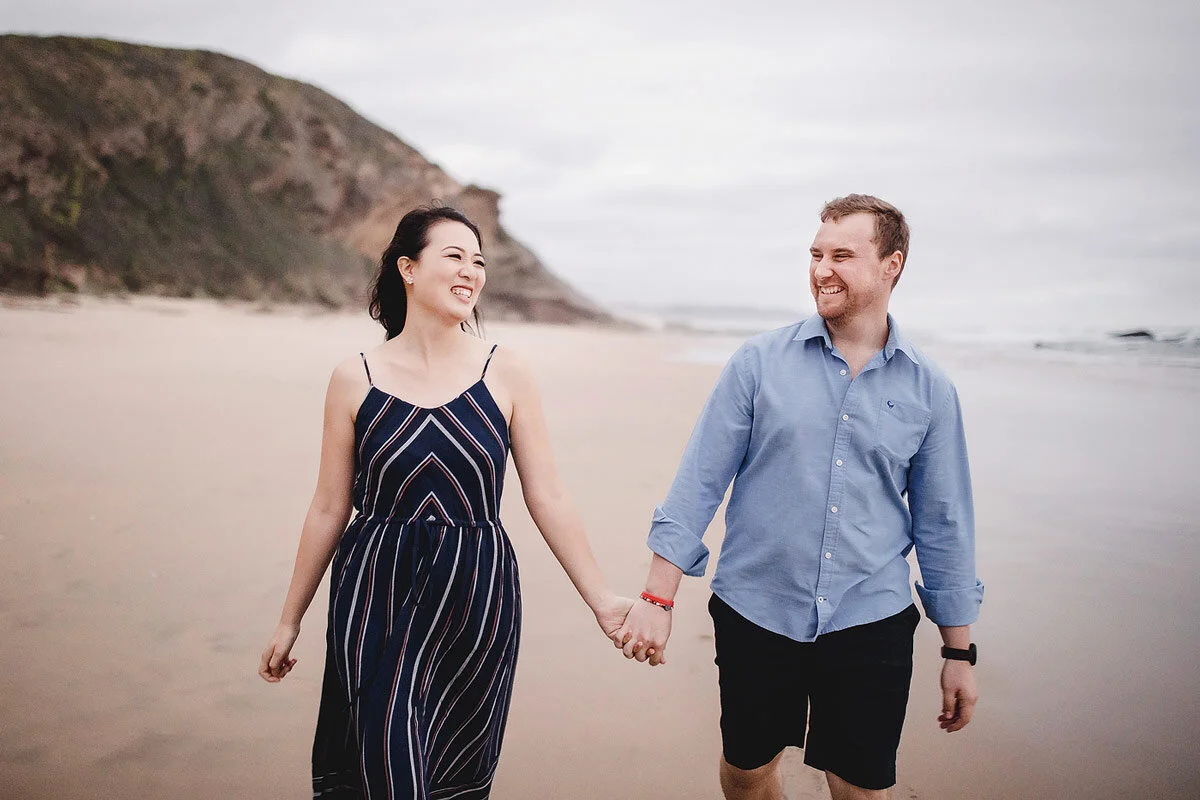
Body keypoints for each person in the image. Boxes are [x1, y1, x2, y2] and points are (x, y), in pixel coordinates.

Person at [616, 194, 984, 800]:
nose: (821, 269)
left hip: (871, 618)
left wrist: (959, 652)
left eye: (843, 255)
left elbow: (945, 524)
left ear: (892, 265)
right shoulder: (758, 363)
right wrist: (658, 595)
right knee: (748, 774)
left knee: (860, 788)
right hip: (757, 610)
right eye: (816, 254)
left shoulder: (930, 390)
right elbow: (698, 482)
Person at [258, 205, 632, 799]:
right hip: (376, 593)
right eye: (454, 256)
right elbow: (330, 507)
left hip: (476, 600)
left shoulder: (504, 371)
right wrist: (289, 619)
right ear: (408, 268)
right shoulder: (354, 377)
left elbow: (547, 494)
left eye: (478, 261)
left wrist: (602, 600)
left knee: (454, 776)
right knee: (385, 762)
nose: (471, 272)